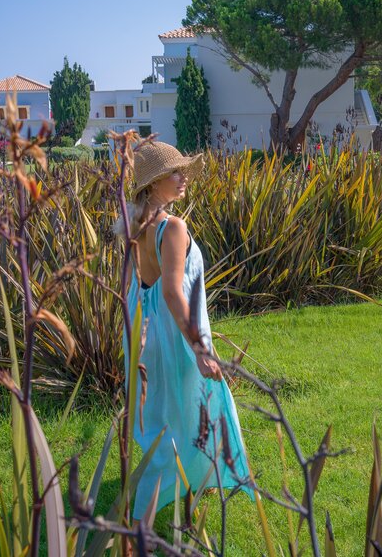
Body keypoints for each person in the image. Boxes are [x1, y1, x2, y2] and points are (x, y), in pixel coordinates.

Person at [119, 140, 252, 516]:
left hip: (147, 332)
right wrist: (199, 348)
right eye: (174, 173)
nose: (183, 179)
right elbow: (172, 292)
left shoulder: (136, 226)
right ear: (152, 183)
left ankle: (185, 479)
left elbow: (133, 287)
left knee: (166, 412)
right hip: (176, 334)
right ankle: (158, 495)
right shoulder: (173, 228)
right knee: (201, 407)